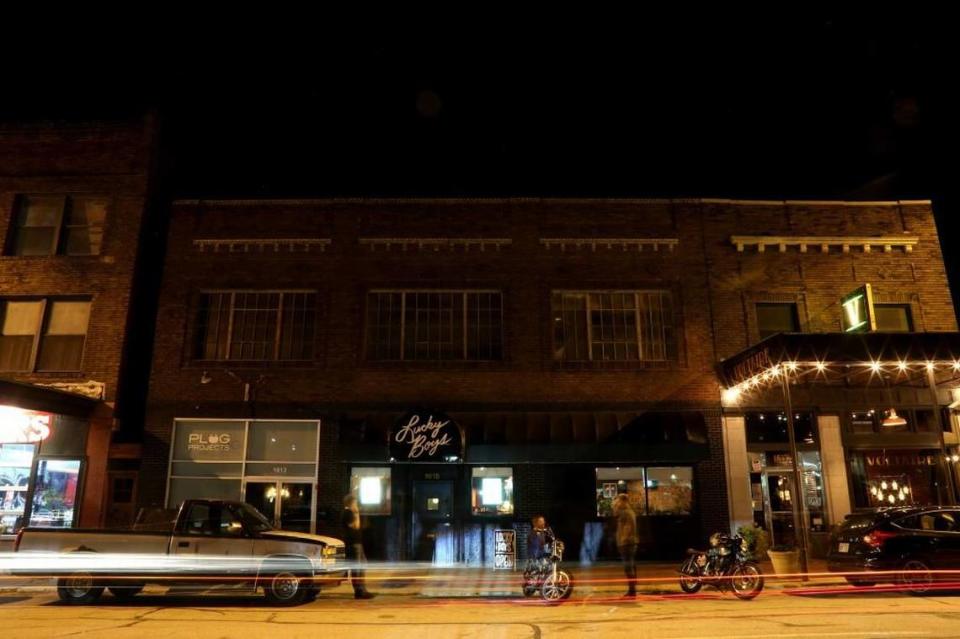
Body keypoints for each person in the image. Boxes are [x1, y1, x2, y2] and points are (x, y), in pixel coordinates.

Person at [342, 494, 375, 599]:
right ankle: (359, 591)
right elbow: (355, 526)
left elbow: (361, 526)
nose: (356, 504)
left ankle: (362, 589)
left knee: (362, 565)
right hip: (353, 544)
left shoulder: (350, 512)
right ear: (351, 503)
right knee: (357, 568)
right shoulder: (347, 513)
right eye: (355, 502)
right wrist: (356, 513)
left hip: (357, 543)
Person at [612, 493, 639, 597]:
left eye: (618, 501)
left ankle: (632, 590)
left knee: (628, 567)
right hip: (628, 543)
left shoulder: (626, 513)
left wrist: (624, 539)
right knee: (630, 566)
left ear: (623, 501)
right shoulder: (628, 512)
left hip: (627, 544)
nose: (617, 503)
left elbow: (628, 527)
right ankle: (632, 589)